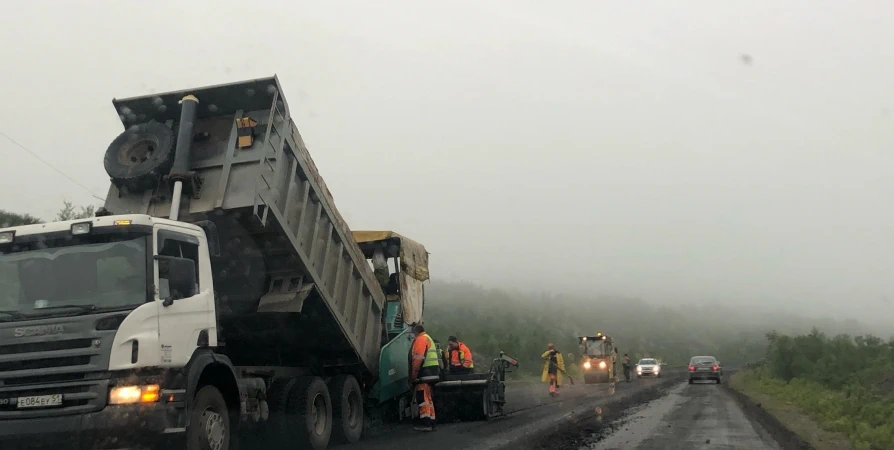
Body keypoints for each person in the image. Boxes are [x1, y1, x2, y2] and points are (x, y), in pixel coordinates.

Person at [410, 324, 440, 431]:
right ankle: (432, 422)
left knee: (422, 398)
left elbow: (418, 359)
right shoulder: (428, 338)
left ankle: (426, 424)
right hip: (433, 372)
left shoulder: (420, 339)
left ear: (416, 332)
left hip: (425, 373)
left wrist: (414, 375)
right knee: (428, 398)